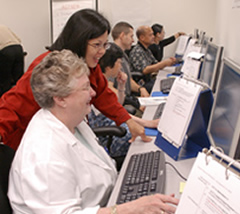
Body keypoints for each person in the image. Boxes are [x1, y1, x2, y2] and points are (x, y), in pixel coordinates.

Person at [8, 49, 178, 214]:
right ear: (60, 98)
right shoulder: (44, 154)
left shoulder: (73, 120)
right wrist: (130, 209)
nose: (93, 93)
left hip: (106, 203)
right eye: (84, 88)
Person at [0, 9, 151, 150]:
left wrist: (128, 120)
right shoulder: (50, 66)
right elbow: (14, 105)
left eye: (105, 45)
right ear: (79, 41)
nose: (102, 52)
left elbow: (104, 95)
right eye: (97, 45)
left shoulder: (88, 64)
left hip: (66, 138)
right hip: (33, 144)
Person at [88, 43, 159, 161]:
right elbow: (115, 113)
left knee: (143, 132)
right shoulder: (97, 87)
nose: (121, 67)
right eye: (119, 63)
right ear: (108, 67)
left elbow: (118, 106)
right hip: (107, 136)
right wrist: (146, 123)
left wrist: (121, 85)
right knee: (144, 138)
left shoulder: (103, 82)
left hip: (113, 126)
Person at [111, 21, 149, 114]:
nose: (133, 41)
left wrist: (140, 89)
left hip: (128, 98)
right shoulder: (111, 57)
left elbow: (128, 80)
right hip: (122, 104)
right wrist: (135, 104)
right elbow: (109, 88)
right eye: (131, 36)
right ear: (122, 35)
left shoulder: (123, 55)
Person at [129, 25, 176, 93]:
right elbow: (145, 70)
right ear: (142, 37)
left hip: (149, 79)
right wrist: (164, 63)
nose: (153, 37)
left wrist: (168, 62)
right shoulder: (137, 51)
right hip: (141, 83)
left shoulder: (146, 49)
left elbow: (155, 63)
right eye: (150, 35)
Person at [0, 24, 25, 97]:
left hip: (6, 51)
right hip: (18, 48)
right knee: (19, 79)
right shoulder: (3, 26)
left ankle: (4, 103)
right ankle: (21, 99)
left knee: (4, 82)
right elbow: (19, 39)